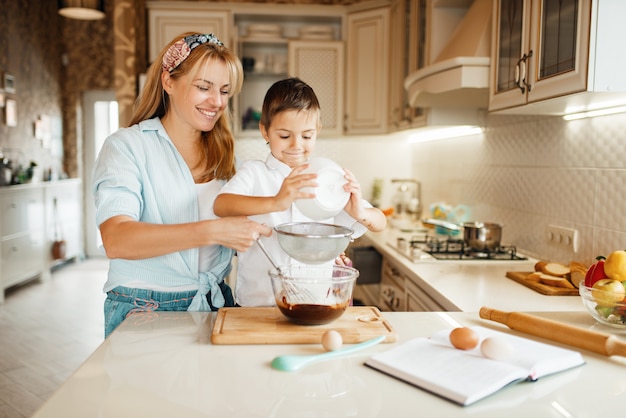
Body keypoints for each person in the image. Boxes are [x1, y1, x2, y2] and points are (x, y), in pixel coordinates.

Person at [93, 32, 272, 338]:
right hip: (145, 308)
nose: (216, 102)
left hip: (217, 303)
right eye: (204, 87)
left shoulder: (227, 156)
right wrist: (212, 230)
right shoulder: (127, 147)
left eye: (224, 91)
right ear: (169, 82)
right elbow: (116, 239)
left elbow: (253, 229)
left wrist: (310, 253)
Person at [213, 77, 386, 307]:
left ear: (317, 131)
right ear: (265, 131)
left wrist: (359, 211)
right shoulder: (254, 173)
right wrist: (277, 201)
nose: (296, 145)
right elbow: (221, 205)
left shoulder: (326, 177)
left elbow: (380, 221)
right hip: (257, 308)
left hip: (315, 305)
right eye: (284, 136)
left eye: (306, 136)